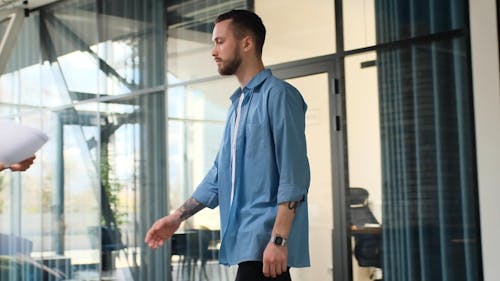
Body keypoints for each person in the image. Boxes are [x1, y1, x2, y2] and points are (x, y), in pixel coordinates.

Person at [145, 9, 310, 281]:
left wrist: (279, 241)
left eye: (220, 42)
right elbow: (219, 174)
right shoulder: (237, 107)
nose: (213, 51)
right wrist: (177, 217)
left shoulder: (279, 95)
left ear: (247, 43)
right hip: (248, 245)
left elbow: (294, 174)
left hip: (266, 245)